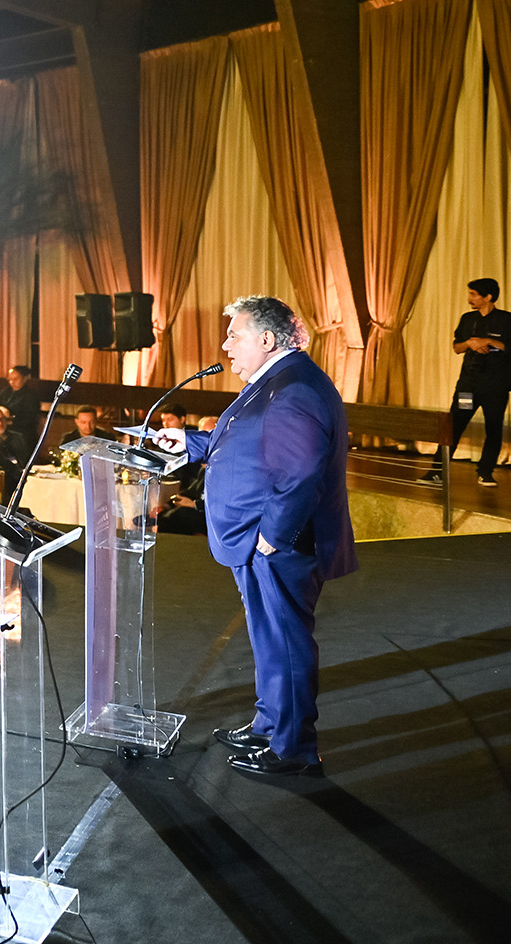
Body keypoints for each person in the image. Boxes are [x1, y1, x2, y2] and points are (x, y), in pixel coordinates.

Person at [156, 295, 355, 779]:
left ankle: (293, 750)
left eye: (234, 336)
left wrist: (273, 536)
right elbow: (250, 441)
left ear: (266, 339)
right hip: (260, 539)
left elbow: (300, 470)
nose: (226, 346)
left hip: (278, 544)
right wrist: (191, 443)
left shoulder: (295, 388)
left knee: (285, 642)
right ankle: (270, 725)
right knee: (269, 639)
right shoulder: (277, 380)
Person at [432, 276, 510, 487]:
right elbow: (457, 348)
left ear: (488, 297)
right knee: (454, 425)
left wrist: (489, 341)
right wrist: (470, 343)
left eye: (474, 294)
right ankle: (437, 471)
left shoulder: (506, 320)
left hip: (495, 387)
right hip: (468, 386)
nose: (470, 299)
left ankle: (485, 472)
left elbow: (508, 347)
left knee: (493, 429)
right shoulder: (468, 319)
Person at [0, 365, 40, 430]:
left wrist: (10, 422)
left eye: (15, 379)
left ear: (24, 378)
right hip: (2, 425)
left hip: (21, 429)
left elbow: (29, 418)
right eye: (10, 379)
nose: (12, 382)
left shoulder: (30, 396)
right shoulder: (7, 391)